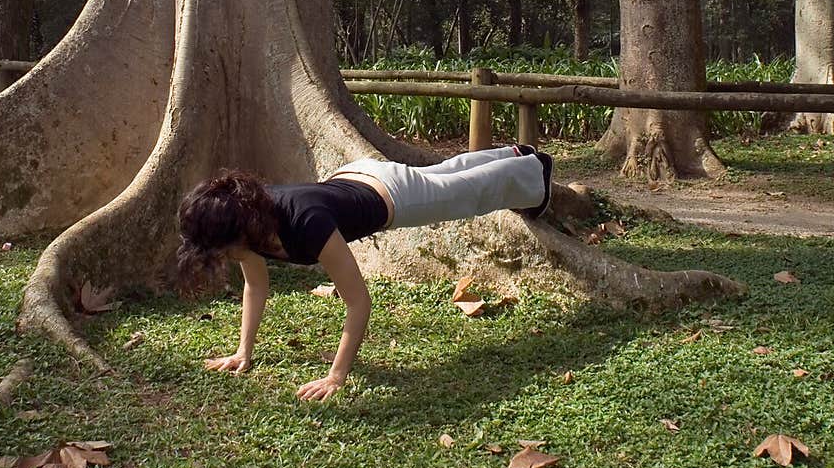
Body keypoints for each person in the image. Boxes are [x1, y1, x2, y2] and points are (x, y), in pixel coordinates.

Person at [176, 145, 553, 402]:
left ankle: (536, 170)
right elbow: (256, 286)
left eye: (220, 249)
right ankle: (512, 155)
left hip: (392, 194)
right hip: (355, 176)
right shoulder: (249, 220)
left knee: (464, 193)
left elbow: (358, 303)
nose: (222, 257)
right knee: (443, 176)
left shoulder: (305, 222)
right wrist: (244, 352)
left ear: (236, 232)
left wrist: (336, 376)